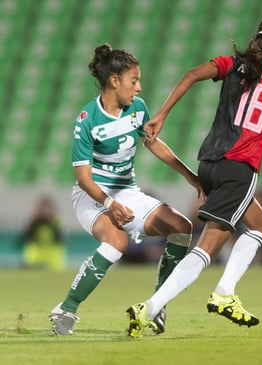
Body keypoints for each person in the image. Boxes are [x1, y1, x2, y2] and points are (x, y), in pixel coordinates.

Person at [126, 13, 262, 337]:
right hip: (240, 169)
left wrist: (162, 114)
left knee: (260, 223)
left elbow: (193, 73)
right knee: (208, 248)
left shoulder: (235, 64)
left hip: (208, 163)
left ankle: (224, 290)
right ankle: (151, 307)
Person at [48, 44, 203, 336]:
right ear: (113, 81)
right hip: (93, 196)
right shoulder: (87, 119)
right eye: (134, 81)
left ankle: (157, 305)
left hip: (127, 191)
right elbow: (83, 178)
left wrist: (189, 175)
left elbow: (154, 142)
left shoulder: (137, 109)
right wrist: (109, 204)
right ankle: (66, 308)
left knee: (181, 226)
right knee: (116, 241)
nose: (139, 87)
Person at [22, 196, 66, 271]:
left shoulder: (56, 222)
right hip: (36, 256)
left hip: (53, 257)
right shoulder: (34, 223)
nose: (44, 213)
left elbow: (60, 238)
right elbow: (25, 236)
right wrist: (35, 221)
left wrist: (51, 221)